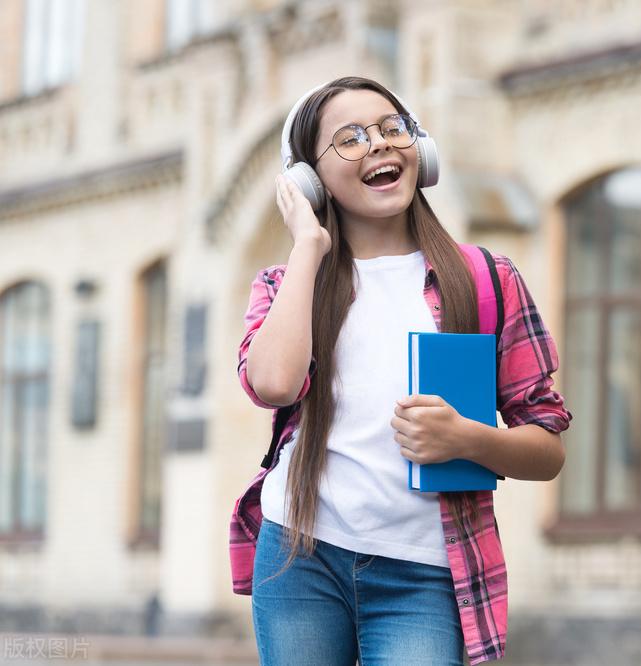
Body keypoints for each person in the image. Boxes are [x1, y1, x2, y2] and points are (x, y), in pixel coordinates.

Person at [238, 75, 572, 666]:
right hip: (299, 559)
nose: (380, 146)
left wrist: (467, 438)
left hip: (425, 573)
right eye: (351, 139)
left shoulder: (486, 280)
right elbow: (274, 383)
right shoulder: (286, 283)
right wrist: (306, 248)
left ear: (422, 150)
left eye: (394, 129)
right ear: (310, 181)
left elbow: (547, 448)